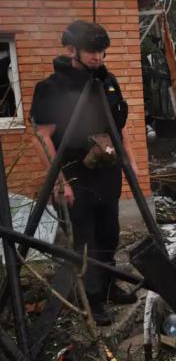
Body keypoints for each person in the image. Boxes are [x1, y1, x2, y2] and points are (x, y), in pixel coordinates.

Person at [29, 20, 138, 326]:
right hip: (75, 173)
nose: (98, 58)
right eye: (92, 51)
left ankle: (107, 286)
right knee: (86, 238)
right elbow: (41, 136)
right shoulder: (51, 88)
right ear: (71, 49)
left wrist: (131, 162)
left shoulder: (108, 81)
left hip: (108, 170)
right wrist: (59, 181)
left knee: (109, 232)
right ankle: (91, 297)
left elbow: (119, 126)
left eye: (102, 52)